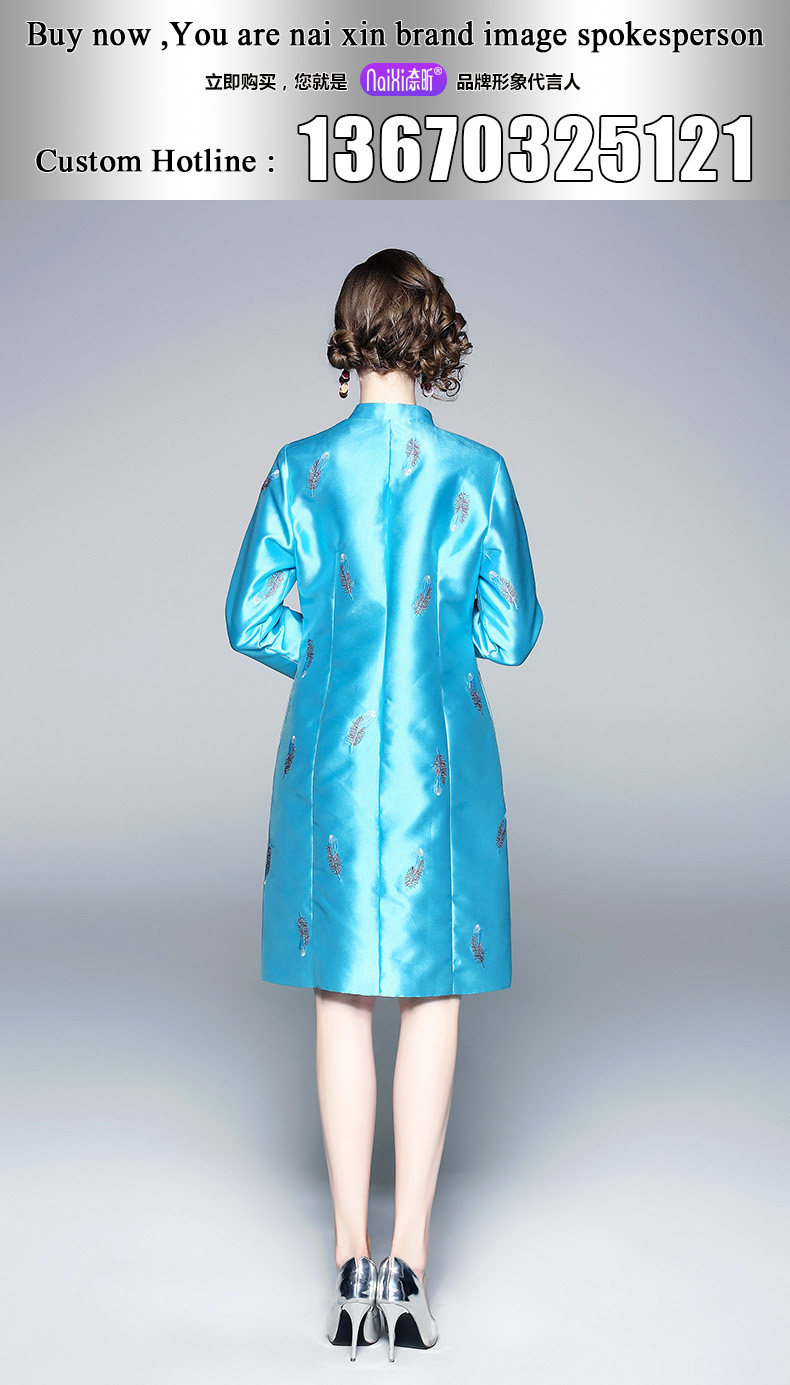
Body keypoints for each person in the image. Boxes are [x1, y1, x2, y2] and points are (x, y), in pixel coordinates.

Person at [224, 248, 544, 1359]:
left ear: (348, 335)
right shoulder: (480, 472)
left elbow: (249, 615)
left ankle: (347, 1266)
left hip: (330, 755)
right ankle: (408, 1264)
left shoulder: (301, 468)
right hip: (442, 756)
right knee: (433, 993)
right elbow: (512, 632)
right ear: (434, 336)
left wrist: (331, 658)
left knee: (341, 996)